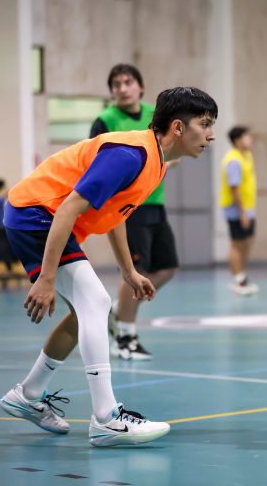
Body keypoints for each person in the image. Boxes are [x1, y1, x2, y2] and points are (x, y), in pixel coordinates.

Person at [0, 87, 217, 447]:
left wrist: (129, 270)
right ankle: (106, 418)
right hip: (35, 213)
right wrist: (47, 278)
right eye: (205, 124)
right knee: (97, 304)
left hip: (41, 215)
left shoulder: (155, 162)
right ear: (178, 127)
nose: (210, 134)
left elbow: (116, 214)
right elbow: (69, 208)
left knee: (84, 312)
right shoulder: (130, 154)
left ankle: (29, 393)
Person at [91, 63, 179, 361]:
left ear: (140, 86)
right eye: (116, 84)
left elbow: (168, 148)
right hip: (127, 208)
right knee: (135, 271)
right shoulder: (105, 121)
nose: (122, 88)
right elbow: (95, 163)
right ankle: (125, 338)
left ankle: (117, 311)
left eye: (128, 82)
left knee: (167, 267)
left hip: (156, 202)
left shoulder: (156, 115)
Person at [220, 126, 259, 295]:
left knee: (248, 241)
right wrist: (242, 212)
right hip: (236, 209)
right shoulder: (233, 160)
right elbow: (234, 188)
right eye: (246, 137)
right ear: (237, 141)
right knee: (237, 244)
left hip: (249, 207)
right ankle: (238, 281)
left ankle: (242, 277)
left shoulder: (247, 155)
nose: (250, 140)